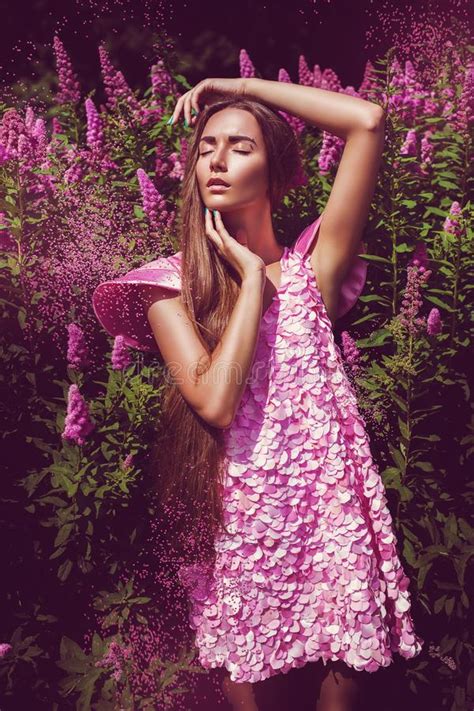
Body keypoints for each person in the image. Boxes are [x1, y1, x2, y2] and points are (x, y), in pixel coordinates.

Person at [92, 77, 424, 711]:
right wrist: (248, 283)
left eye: (240, 146)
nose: (215, 159)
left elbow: (368, 121)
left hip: (328, 522)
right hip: (239, 532)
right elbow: (215, 403)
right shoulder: (168, 291)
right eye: (205, 146)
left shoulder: (313, 269)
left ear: (276, 171)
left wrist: (234, 85)